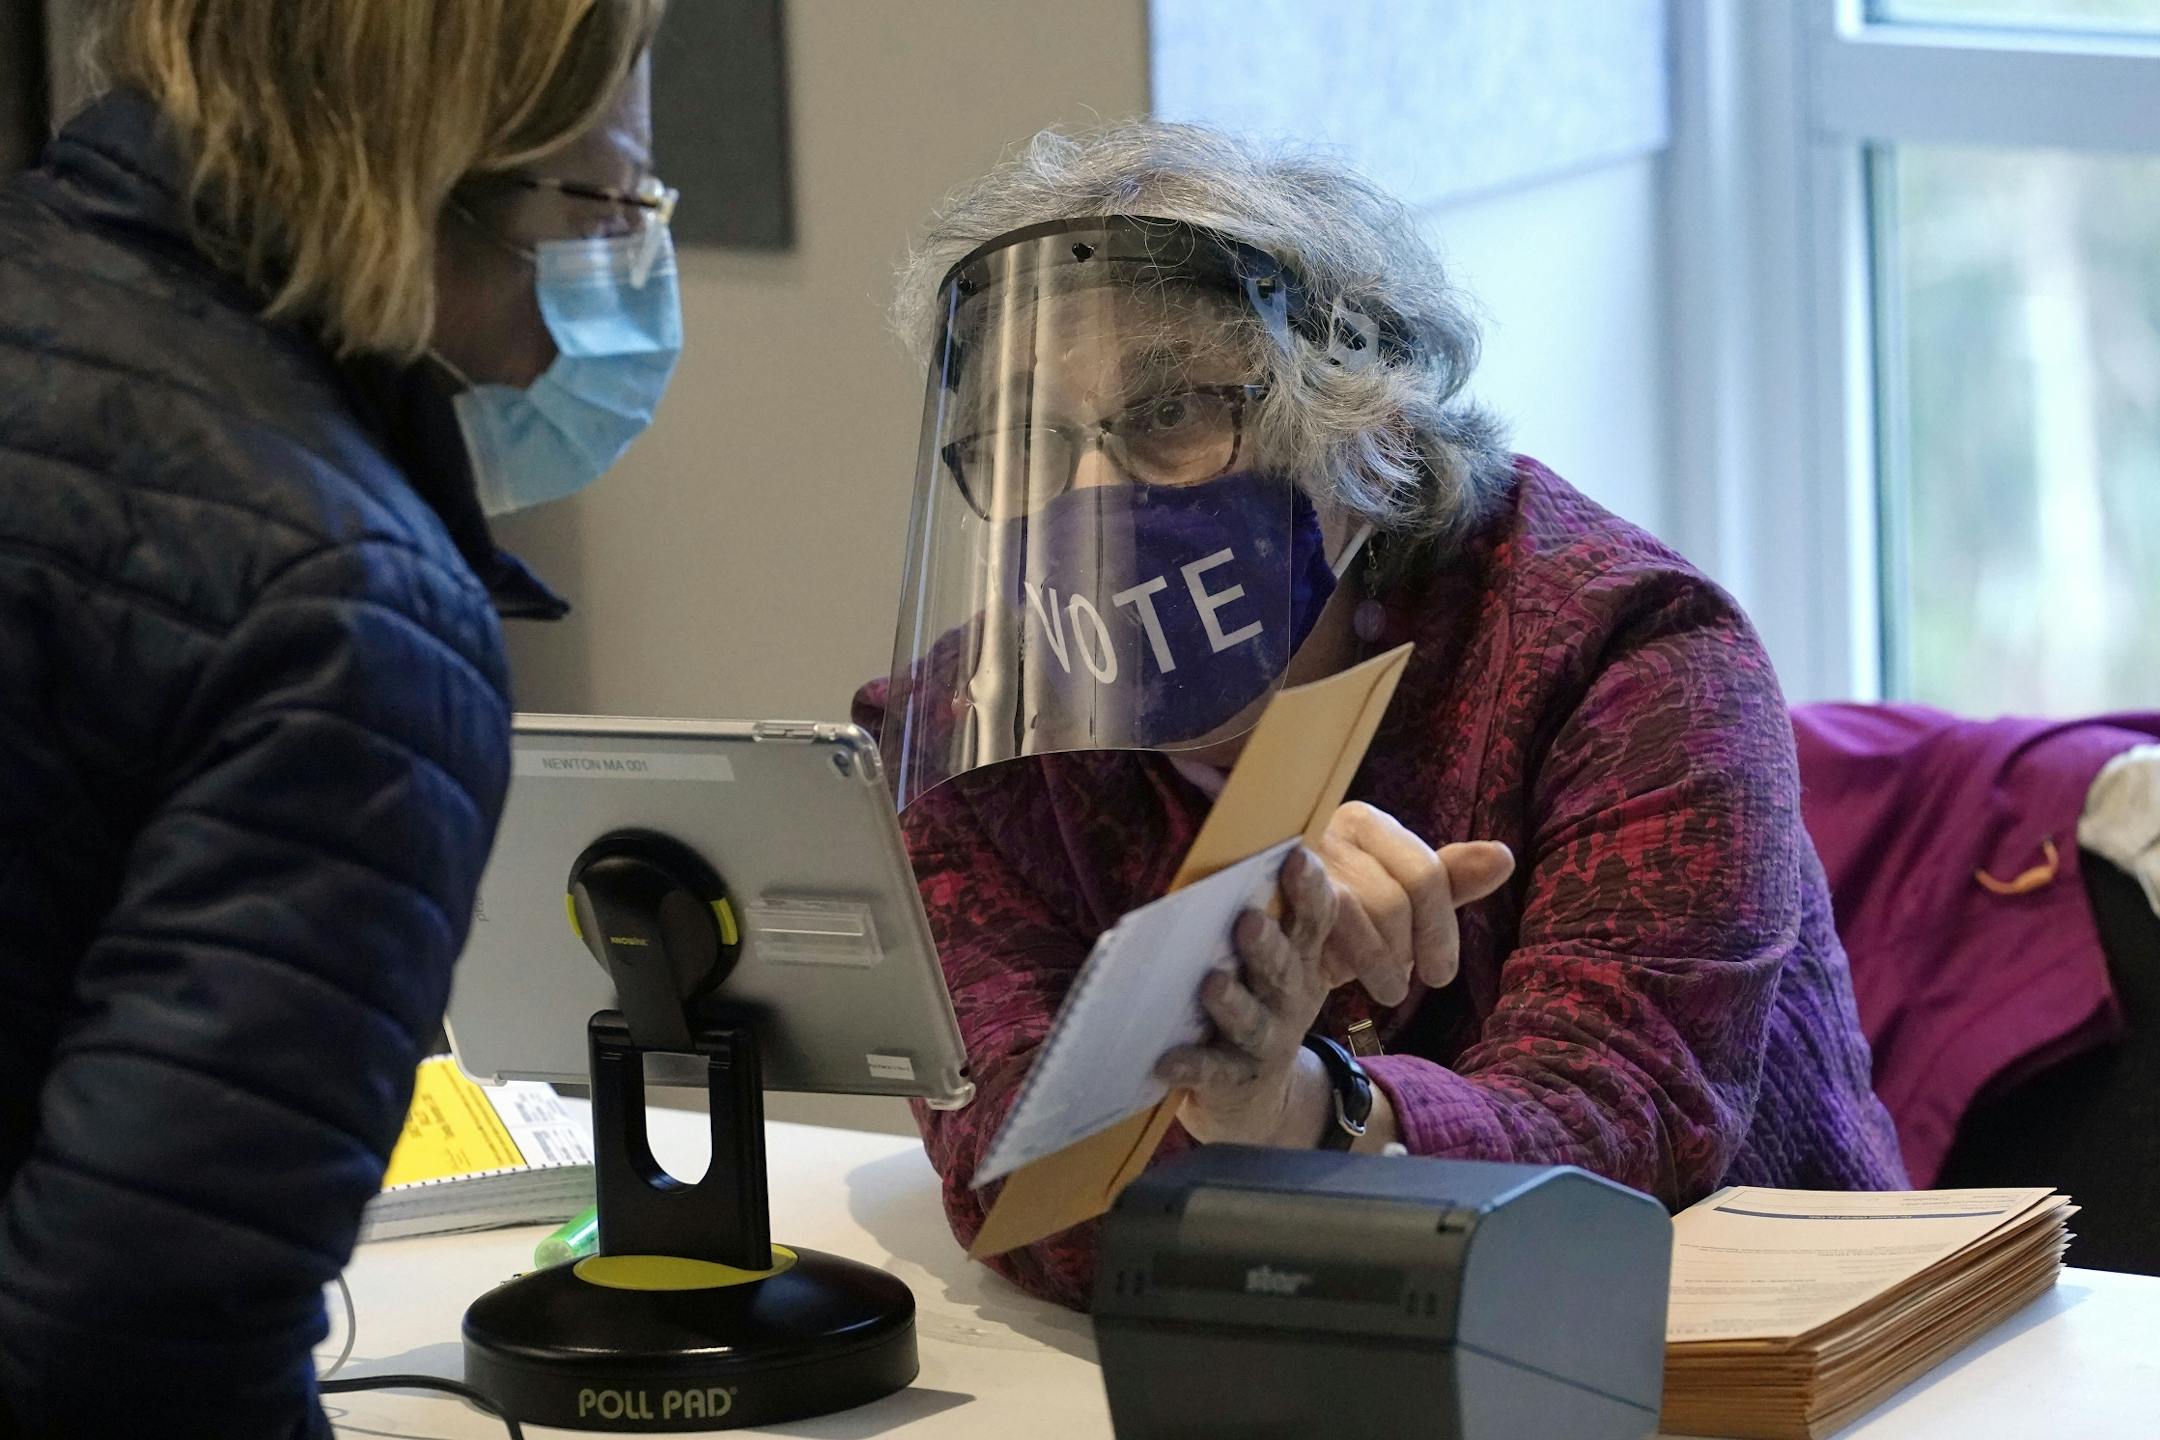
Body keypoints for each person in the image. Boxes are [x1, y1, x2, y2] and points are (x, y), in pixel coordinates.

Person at [858, 124, 1910, 1309]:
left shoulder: (1632, 661)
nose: (1091, 502)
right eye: (1029, 440)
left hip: (1728, 1358)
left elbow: (1624, 1137)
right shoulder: (963, 735)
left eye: (1169, 416)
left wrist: (1290, 1106)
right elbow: (1013, 1179)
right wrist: (1219, 1086)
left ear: (1367, 440)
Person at [0, 1, 675, 1434]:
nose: (618, 274)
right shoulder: (351, 607)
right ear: (440, 168)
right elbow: (147, 1344)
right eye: (608, 206)